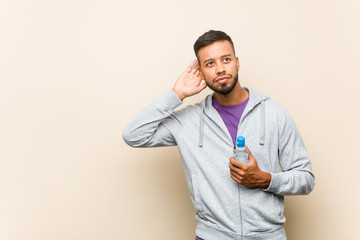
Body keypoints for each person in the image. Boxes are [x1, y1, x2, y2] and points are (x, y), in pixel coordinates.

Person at [123, 30, 315, 240]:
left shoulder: (275, 114)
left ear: (237, 62)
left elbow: (305, 179)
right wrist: (176, 95)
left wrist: (265, 179)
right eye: (210, 63)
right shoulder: (188, 121)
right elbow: (134, 134)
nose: (221, 68)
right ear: (201, 71)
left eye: (226, 59)